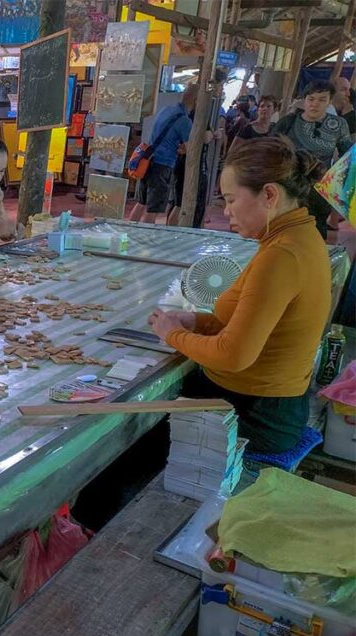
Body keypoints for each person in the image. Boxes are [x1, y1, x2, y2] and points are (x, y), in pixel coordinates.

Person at [148, 137, 330, 453]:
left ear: (269, 194)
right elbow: (256, 322)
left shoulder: (283, 255)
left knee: (129, 444)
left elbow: (233, 355)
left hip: (256, 413)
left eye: (231, 200)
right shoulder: (298, 236)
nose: (227, 211)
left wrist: (173, 333)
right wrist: (197, 321)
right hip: (266, 402)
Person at [272, 80, 352, 237]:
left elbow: (347, 158)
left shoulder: (339, 124)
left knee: (315, 235)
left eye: (322, 99)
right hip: (288, 190)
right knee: (283, 234)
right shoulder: (288, 122)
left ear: (329, 101)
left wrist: (338, 190)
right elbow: (269, 151)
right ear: (304, 100)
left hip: (319, 193)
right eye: (311, 99)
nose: (315, 104)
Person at [127, 85, 197, 224]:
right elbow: (191, 149)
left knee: (141, 202)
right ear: (195, 101)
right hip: (163, 166)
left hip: (148, 161)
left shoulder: (166, 110)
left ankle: (129, 234)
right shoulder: (184, 121)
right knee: (153, 209)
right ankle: (144, 242)